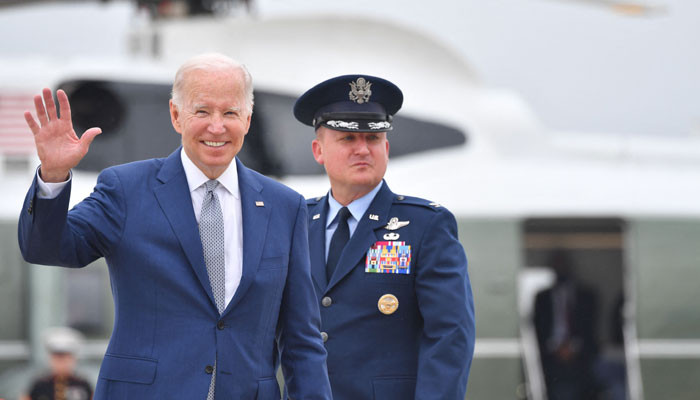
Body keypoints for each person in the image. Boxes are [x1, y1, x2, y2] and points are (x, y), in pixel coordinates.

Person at [18, 53, 331, 399]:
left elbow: (302, 340)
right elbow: (45, 248)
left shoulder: (284, 207)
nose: (216, 127)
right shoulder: (126, 190)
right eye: (202, 111)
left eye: (230, 113)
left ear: (247, 118)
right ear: (176, 115)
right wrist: (53, 176)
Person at [293, 74, 475, 400]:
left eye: (373, 138)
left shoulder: (425, 225)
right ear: (319, 151)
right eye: (348, 138)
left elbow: (450, 336)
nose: (363, 149)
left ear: (386, 148)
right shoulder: (295, 223)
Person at [533, 250, 599, 400]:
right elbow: (537, 329)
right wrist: (556, 347)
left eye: (563, 265)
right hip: (550, 356)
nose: (560, 269)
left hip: (581, 356)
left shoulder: (586, 295)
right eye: (557, 265)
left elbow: (590, 327)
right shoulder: (542, 298)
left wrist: (572, 348)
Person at [21, 327, 93, 400]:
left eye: (65, 358)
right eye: (57, 358)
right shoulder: (39, 385)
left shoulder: (83, 385)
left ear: (73, 359)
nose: (61, 363)